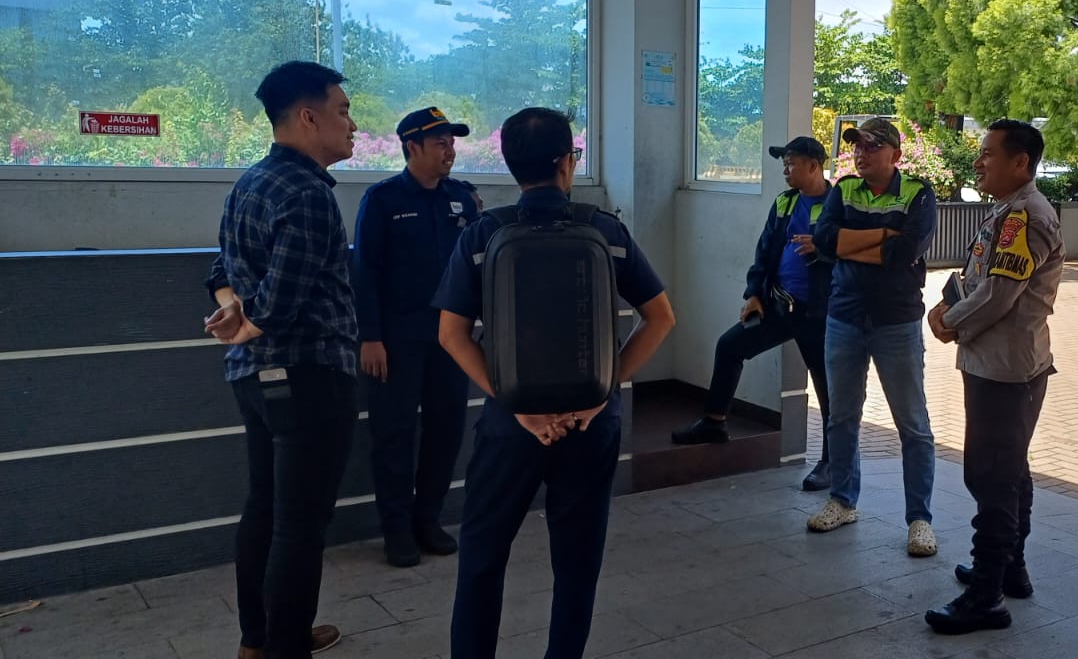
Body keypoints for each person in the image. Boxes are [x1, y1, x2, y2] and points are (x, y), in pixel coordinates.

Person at [434, 107, 675, 659]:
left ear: (511, 165)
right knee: (576, 564)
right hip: (592, 424)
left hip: (511, 424)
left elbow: (451, 335)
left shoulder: (483, 234)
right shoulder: (606, 231)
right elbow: (661, 318)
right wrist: (601, 393)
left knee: (482, 558)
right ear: (568, 162)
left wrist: (516, 404)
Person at [202, 60, 359, 659]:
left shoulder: (251, 182)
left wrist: (233, 313)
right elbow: (283, 301)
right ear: (308, 117)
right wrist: (247, 323)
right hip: (310, 376)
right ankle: (285, 646)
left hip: (256, 381)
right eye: (343, 111)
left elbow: (220, 269)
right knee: (300, 524)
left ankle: (259, 641)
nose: (351, 124)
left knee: (265, 510)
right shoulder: (308, 194)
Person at [924, 119, 1063, 635]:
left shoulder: (1025, 216)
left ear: (1020, 162)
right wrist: (951, 310)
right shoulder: (1009, 211)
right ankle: (1009, 570)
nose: (979, 161)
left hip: (1006, 370)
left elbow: (999, 294)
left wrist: (950, 323)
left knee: (992, 476)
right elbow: (980, 280)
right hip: (999, 364)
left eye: (988, 153)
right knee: (1009, 470)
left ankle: (986, 596)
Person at [805, 117, 941, 557]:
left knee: (913, 424)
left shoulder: (918, 193)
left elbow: (907, 251)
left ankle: (919, 519)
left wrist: (853, 246)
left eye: (871, 146)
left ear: (895, 155)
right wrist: (883, 237)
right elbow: (824, 241)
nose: (861, 154)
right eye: (857, 146)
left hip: (896, 322)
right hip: (844, 317)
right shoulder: (844, 189)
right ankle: (843, 501)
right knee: (841, 416)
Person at [352, 107, 480, 567]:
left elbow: (475, 266)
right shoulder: (383, 199)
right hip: (395, 341)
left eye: (452, 142)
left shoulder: (462, 199)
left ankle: (428, 519)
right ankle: (396, 529)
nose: (450, 150)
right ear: (412, 147)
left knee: (446, 430)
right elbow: (365, 272)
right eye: (440, 142)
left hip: (450, 339)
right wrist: (370, 337)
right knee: (395, 434)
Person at [671, 136, 837, 490]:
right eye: (784, 163)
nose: (785, 169)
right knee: (729, 346)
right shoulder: (785, 203)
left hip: (820, 313)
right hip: (780, 305)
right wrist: (754, 294)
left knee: (829, 386)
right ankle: (714, 423)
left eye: (791, 162)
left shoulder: (838, 203)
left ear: (813, 165)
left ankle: (832, 462)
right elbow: (765, 251)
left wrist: (822, 248)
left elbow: (848, 253)